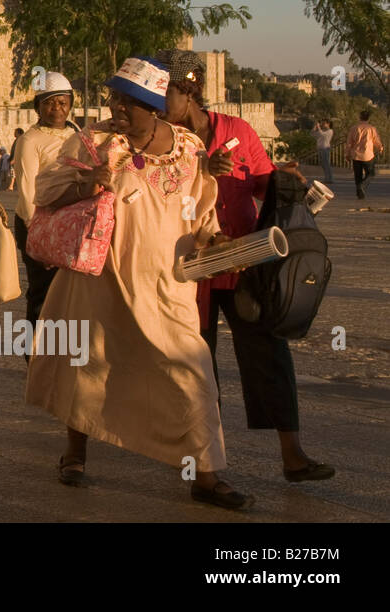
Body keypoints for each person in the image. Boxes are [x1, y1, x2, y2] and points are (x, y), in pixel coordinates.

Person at [25, 57, 254, 510]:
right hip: (100, 277)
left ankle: (206, 475)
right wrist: (86, 184)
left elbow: (199, 209)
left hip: (167, 285)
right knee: (86, 365)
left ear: (154, 107)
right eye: (115, 98)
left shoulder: (188, 148)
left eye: (129, 102)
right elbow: (45, 191)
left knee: (194, 373)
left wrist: (214, 239)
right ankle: (75, 451)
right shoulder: (95, 140)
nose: (118, 109)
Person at [158, 48, 333, 484]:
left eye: (164, 93)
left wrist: (280, 177)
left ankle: (293, 455)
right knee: (196, 367)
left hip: (243, 263)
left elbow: (258, 181)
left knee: (268, 355)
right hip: (189, 270)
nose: (158, 103)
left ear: (188, 90)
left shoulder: (235, 129)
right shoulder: (162, 140)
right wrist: (201, 171)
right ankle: (203, 469)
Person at [12, 72, 76, 331]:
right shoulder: (30, 140)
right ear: (38, 106)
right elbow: (27, 192)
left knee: (68, 297)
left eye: (62, 102)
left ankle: (62, 360)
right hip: (38, 225)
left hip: (68, 226)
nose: (57, 109)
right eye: (50, 103)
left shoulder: (75, 132)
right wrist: (39, 236)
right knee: (42, 296)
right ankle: (36, 359)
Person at [346, 110, 383, 199]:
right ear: (368, 118)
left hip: (356, 155)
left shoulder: (354, 128)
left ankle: (359, 192)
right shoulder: (371, 128)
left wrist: (347, 154)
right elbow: (376, 140)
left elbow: (349, 143)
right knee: (371, 173)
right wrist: (380, 147)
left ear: (360, 117)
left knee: (357, 175)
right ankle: (362, 186)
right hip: (368, 155)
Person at [312, 119, 334, 185]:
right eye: (322, 123)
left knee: (327, 164)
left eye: (324, 123)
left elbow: (322, 135)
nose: (322, 125)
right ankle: (327, 178)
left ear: (328, 124)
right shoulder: (322, 131)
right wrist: (315, 127)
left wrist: (318, 127)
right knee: (323, 164)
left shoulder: (330, 131)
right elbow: (313, 134)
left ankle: (330, 179)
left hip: (325, 148)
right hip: (320, 148)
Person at [7, 127, 25, 191]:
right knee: (13, 173)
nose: (14, 133)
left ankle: (11, 186)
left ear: (18, 133)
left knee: (13, 173)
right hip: (14, 158)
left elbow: (18, 151)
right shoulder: (17, 140)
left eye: (15, 132)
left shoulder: (20, 140)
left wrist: (14, 159)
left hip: (16, 159)